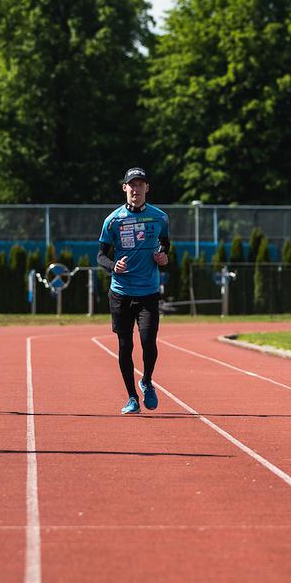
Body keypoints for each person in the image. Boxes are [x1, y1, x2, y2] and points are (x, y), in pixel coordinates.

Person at [97, 167, 170, 414]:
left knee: (148, 342)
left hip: (148, 291)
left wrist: (163, 258)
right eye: (132, 185)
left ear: (147, 188)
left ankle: (147, 380)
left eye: (140, 184)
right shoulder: (113, 220)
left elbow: (165, 245)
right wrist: (112, 265)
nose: (136, 189)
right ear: (124, 188)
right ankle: (131, 397)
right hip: (121, 292)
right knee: (125, 345)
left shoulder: (159, 217)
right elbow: (100, 255)